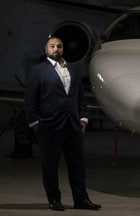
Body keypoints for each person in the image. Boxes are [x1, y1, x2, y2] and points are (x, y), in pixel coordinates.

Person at [25, 36, 101, 211]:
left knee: (78, 166)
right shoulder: (38, 71)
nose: (56, 49)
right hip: (48, 127)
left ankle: (81, 200)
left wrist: (83, 118)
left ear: (63, 49)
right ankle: (54, 199)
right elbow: (30, 100)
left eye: (59, 46)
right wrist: (35, 123)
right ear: (46, 50)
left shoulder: (73, 69)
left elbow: (80, 96)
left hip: (73, 126)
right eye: (52, 46)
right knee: (50, 166)